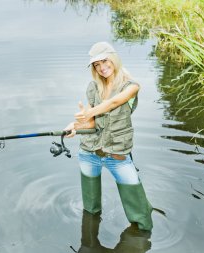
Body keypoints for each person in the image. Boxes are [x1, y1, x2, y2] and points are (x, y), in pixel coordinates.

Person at [65, 41, 153, 231]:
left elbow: (114, 102)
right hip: (89, 152)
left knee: (140, 211)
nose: (102, 67)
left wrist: (89, 113)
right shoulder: (93, 87)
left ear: (113, 59)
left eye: (104, 61)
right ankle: (90, 241)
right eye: (97, 65)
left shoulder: (132, 86)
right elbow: (91, 121)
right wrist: (75, 126)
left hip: (118, 154)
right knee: (90, 209)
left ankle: (141, 241)